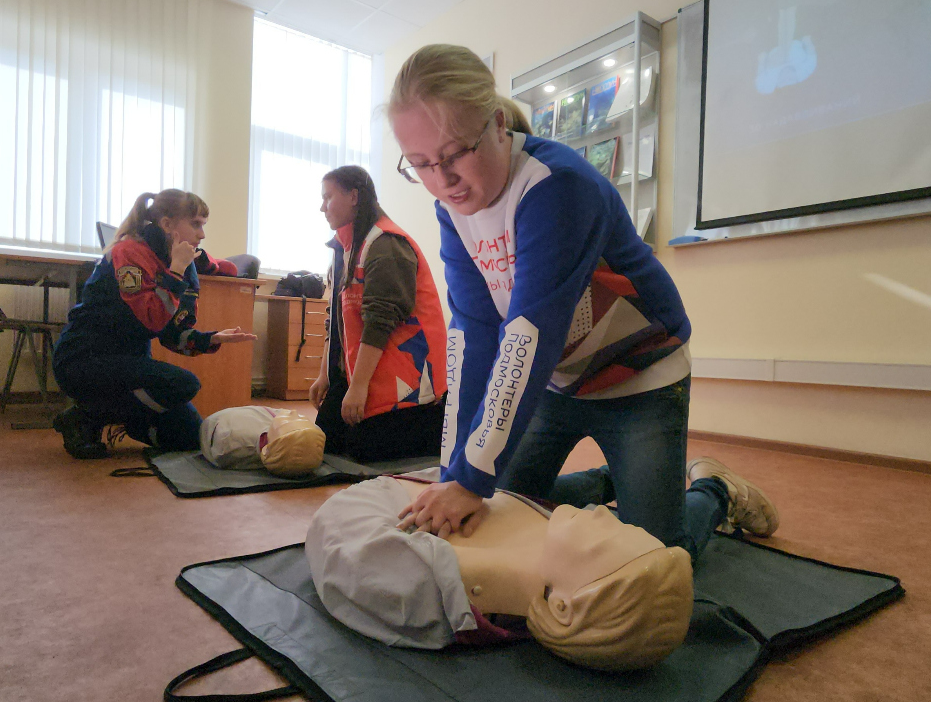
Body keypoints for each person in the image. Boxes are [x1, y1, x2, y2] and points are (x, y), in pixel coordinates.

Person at [387, 44, 779, 560]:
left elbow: (529, 333)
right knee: (498, 509)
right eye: (420, 165)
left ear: (497, 124)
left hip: (638, 378)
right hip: (558, 383)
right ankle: (617, 480)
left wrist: (470, 476)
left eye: (455, 154)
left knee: (654, 560)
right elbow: (472, 331)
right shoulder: (452, 208)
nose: (443, 181)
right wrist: (455, 471)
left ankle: (713, 490)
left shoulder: (558, 187)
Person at [306, 474, 694, 670]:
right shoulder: (559, 541)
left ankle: (713, 490)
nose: (600, 512)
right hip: (492, 495)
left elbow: (340, 530)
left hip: (402, 492)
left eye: (606, 535)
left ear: (562, 606)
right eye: (620, 522)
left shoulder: (417, 579)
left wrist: (419, 491)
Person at [52, 189, 256, 459]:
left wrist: (211, 339)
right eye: (196, 224)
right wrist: (176, 272)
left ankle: (135, 422)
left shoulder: (182, 263)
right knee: (184, 384)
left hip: (130, 365)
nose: (202, 234)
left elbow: (171, 335)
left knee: (191, 438)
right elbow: (152, 317)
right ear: (168, 224)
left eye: (203, 225)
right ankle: (85, 415)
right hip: (84, 360)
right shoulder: (129, 253)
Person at [309, 166, 448, 463]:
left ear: (354, 196)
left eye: (328, 197)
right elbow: (336, 323)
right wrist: (326, 375)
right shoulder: (342, 251)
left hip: (406, 377)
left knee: (362, 449)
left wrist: (358, 389)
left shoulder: (386, 243)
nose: (322, 207)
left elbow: (380, 322)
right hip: (365, 371)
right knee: (324, 440)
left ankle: (443, 424)